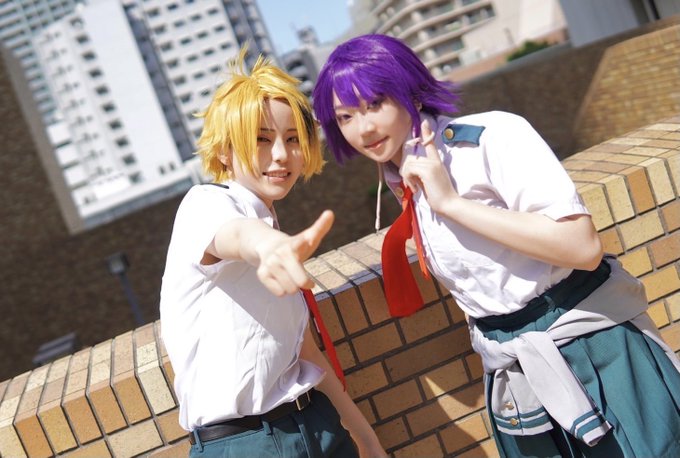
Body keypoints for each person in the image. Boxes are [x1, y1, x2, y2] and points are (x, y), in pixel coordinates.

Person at [312, 34, 680, 458]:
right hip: (514, 374)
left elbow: (581, 246)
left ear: (409, 91)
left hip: (595, 348)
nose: (364, 128)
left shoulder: (489, 138)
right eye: (345, 117)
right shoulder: (405, 176)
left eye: (375, 103)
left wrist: (451, 204)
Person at [160, 49, 385, 458]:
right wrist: (268, 248)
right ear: (225, 150)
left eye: (293, 139)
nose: (281, 154)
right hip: (244, 443)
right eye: (261, 139)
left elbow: (306, 355)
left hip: (317, 425)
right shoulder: (205, 203)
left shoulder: (267, 221)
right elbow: (238, 236)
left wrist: (367, 440)